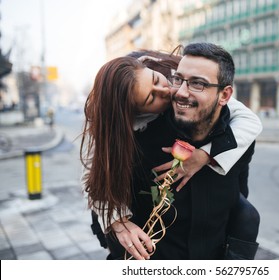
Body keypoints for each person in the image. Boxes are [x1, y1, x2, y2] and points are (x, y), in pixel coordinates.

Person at [81, 46, 261, 260]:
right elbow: (95, 179)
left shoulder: (178, 74)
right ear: (139, 112)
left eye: (159, 81)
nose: (171, 91)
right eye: (151, 98)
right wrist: (117, 223)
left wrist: (205, 155)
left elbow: (249, 120)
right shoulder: (131, 136)